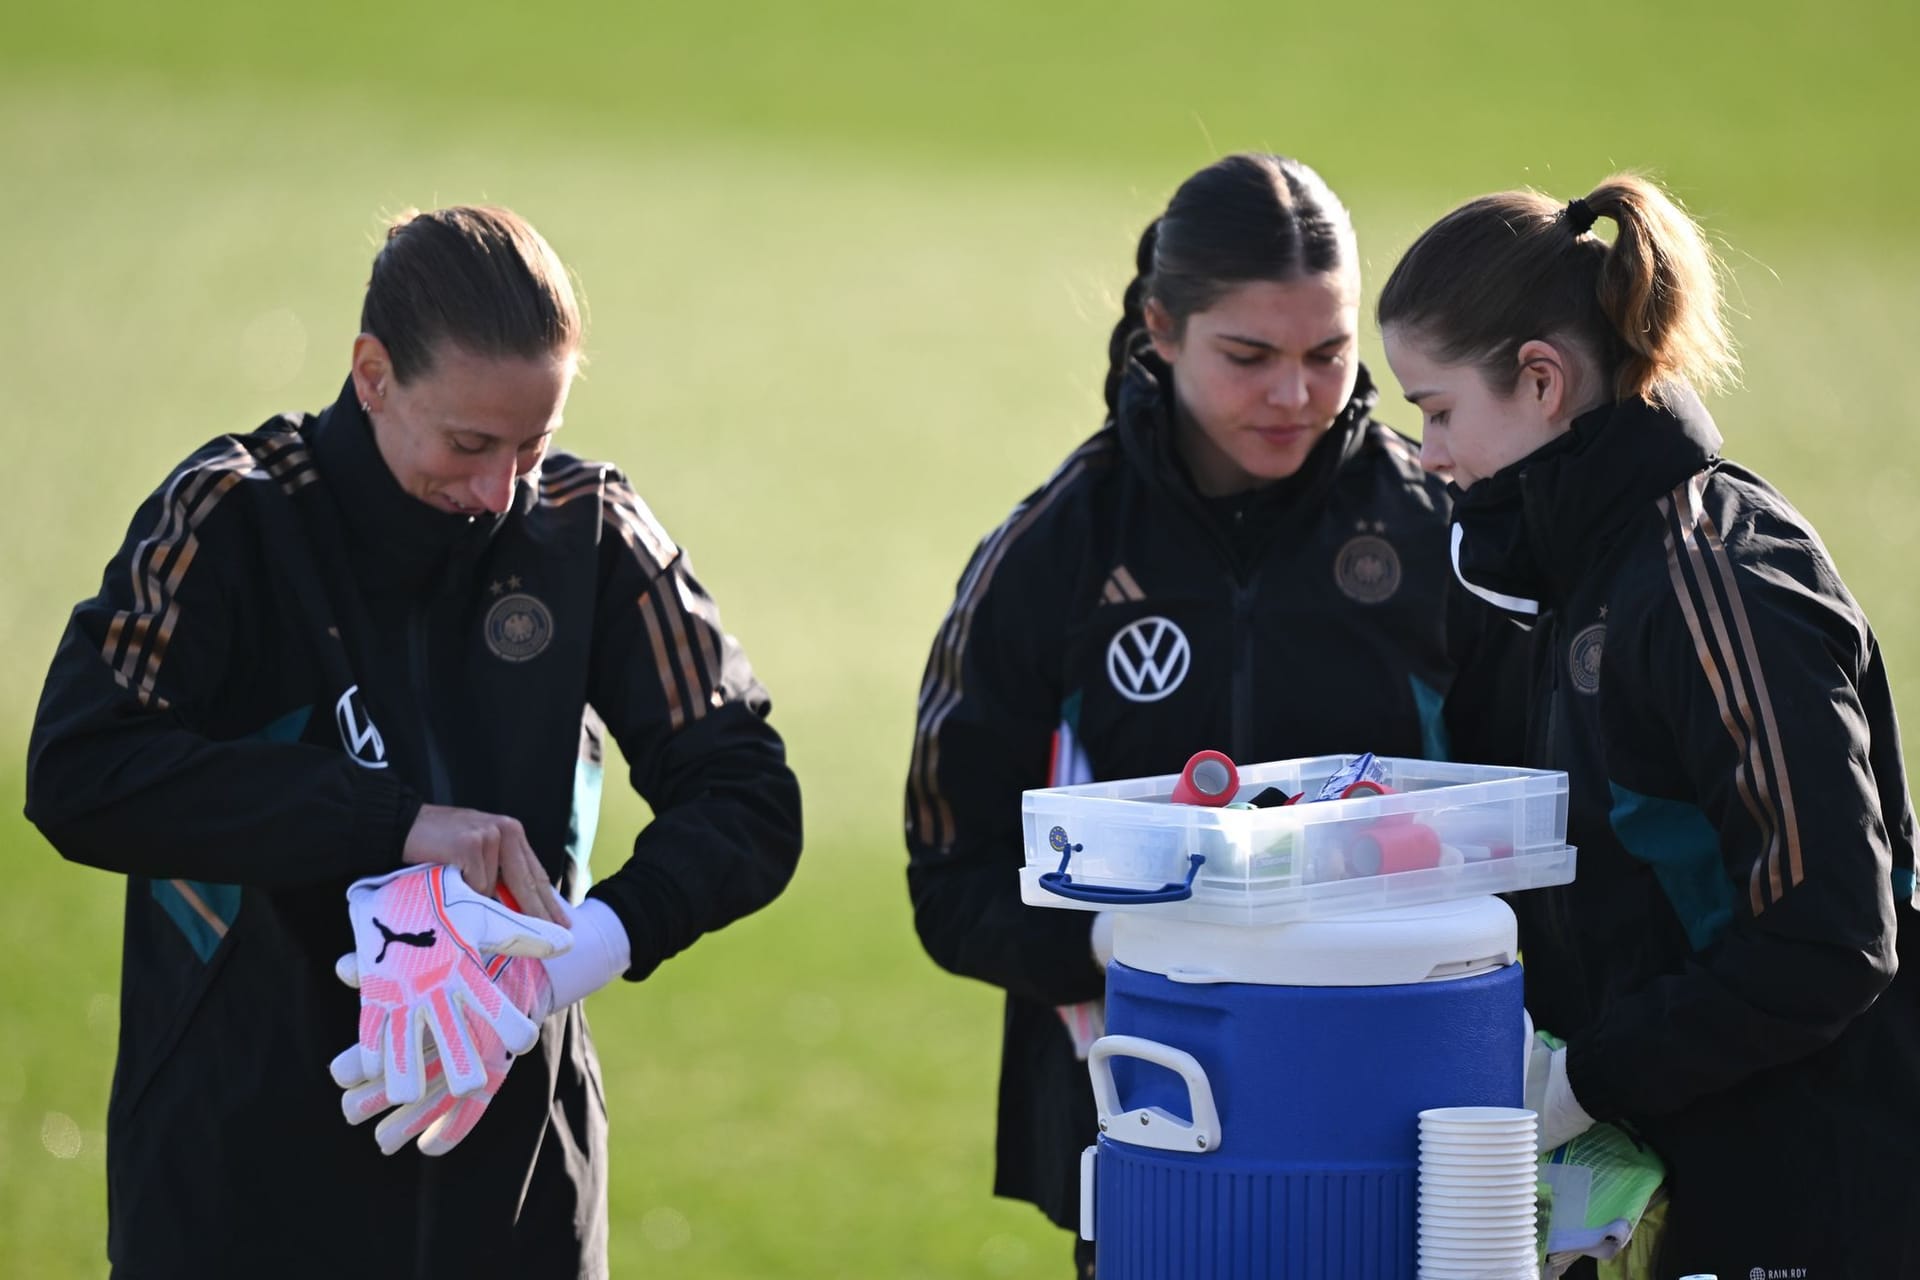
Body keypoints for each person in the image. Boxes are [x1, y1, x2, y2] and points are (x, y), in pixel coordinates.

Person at [24, 204, 804, 1278]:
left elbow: (748, 794)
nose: (498, 491)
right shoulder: (235, 515)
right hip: (234, 1190)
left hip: (519, 1196)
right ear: (373, 372)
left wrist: (558, 970)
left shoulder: (588, 528)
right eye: (470, 443)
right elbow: (79, 770)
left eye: (532, 444)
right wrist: (395, 825)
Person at [903, 153, 1518, 1276]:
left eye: (1328, 353)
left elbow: (1531, 826)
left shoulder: (1447, 533)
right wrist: (1135, 942)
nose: (1294, 394)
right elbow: (950, 877)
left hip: (1405, 1106)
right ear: (1161, 329)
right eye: (1250, 356)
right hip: (1153, 1110)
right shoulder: (1056, 553)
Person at [1378, 174, 1919, 1278]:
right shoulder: (1581, 564)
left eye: (1436, 410)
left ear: (1541, 379)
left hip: (1821, 1180)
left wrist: (1585, 1083)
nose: (1428, 455)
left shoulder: (1713, 576)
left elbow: (1831, 935)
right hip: (1695, 1156)